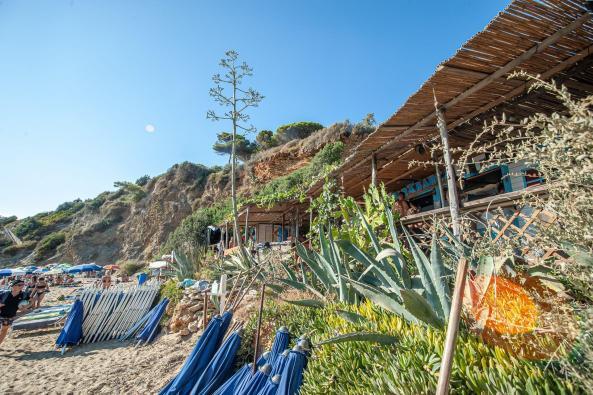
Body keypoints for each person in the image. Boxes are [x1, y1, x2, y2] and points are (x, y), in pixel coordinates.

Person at [0, 279, 30, 346]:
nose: (22, 286)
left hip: (8, 316)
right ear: (13, 286)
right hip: (1, 313)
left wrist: (25, 307)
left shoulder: (24, 295)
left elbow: (32, 300)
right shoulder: (5, 294)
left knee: (3, 330)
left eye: (23, 285)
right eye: (19, 285)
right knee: (3, 330)